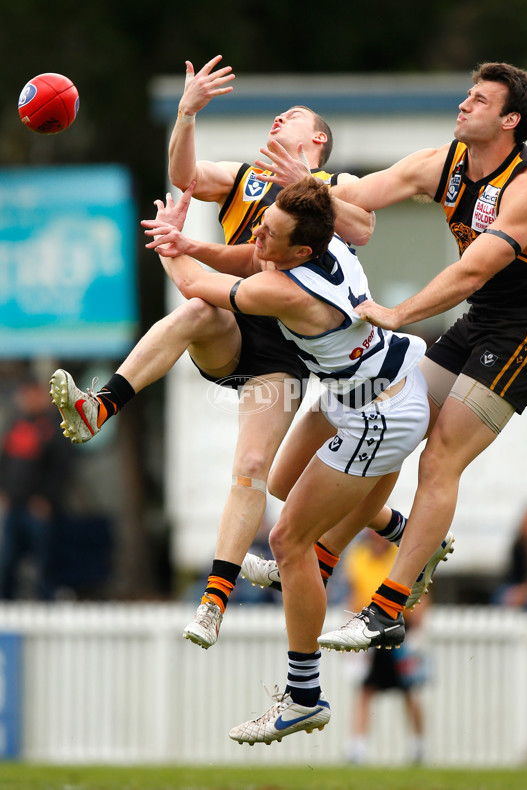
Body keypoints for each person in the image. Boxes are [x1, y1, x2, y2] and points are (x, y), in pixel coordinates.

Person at [49, 54, 382, 650]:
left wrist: (298, 188)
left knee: (255, 470)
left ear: (318, 140)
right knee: (200, 310)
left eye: (291, 116)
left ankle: (213, 602)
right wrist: (186, 113)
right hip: (236, 321)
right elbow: (184, 175)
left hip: (290, 357)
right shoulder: (247, 178)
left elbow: (361, 228)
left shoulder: (335, 188)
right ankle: (102, 406)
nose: (276, 119)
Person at [142, 176, 430, 744]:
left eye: (270, 234)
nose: (258, 235)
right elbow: (310, 224)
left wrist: (170, 244)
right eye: (263, 222)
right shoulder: (327, 241)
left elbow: (200, 287)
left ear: (303, 251)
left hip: (379, 414)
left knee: (287, 542)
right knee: (278, 481)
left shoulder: (289, 291)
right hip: (363, 390)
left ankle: (303, 698)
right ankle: (404, 529)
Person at [316, 61, 527, 649]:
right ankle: (327, 554)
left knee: (439, 460)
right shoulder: (444, 163)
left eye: (479, 100)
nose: (464, 104)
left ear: (510, 120)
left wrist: (400, 315)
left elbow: (475, 267)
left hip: (524, 337)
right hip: (479, 323)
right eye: (466, 94)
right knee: (393, 422)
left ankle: (387, 609)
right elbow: (357, 195)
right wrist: (302, 182)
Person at [343, 530, 429, 765]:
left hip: (401, 629)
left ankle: (419, 746)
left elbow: (422, 594)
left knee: (409, 690)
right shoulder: (358, 556)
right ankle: (357, 748)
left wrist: (418, 634)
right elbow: (353, 596)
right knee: (365, 689)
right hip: (371, 631)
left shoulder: (403, 556)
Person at [0, 378, 71, 600]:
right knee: (8, 560)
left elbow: (61, 469)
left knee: (44, 562)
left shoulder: (52, 428)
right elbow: (5, 461)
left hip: (37, 509)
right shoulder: (16, 425)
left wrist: (46, 499)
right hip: (14, 507)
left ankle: (45, 603)